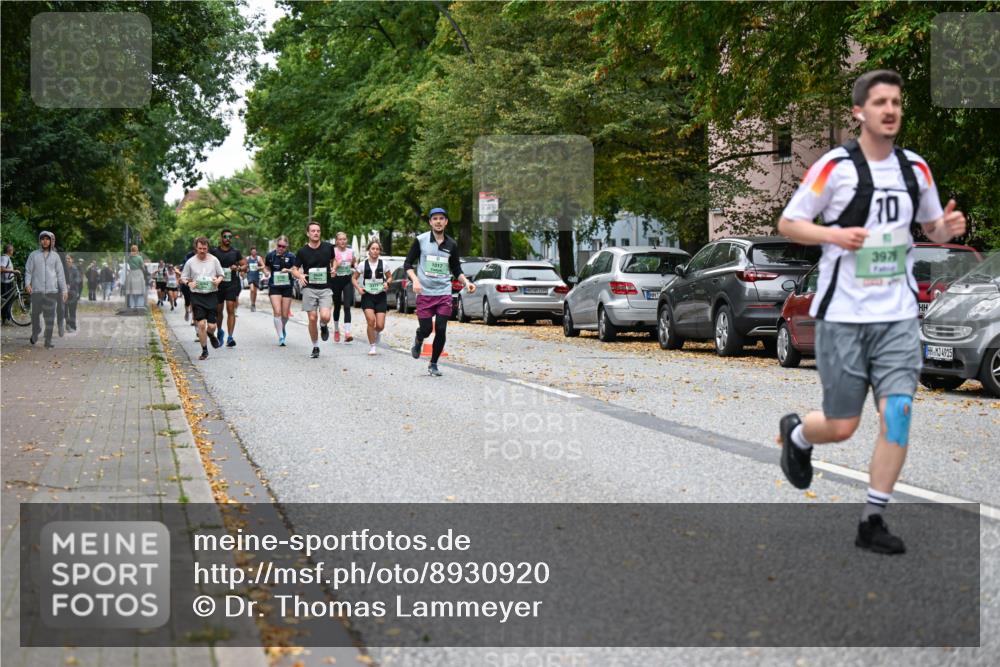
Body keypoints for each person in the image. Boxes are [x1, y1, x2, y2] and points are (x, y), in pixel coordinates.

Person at [776, 69, 967, 555]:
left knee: (898, 413)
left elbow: (932, 231)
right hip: (843, 316)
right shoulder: (834, 168)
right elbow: (790, 222)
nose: (890, 110)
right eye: (880, 102)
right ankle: (798, 435)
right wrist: (834, 235)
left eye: (897, 103)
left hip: (898, 315)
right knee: (842, 426)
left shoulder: (914, 170)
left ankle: (872, 518)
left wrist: (947, 229)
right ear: (859, 112)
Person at [403, 207, 476, 376]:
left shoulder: (452, 244)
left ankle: (433, 363)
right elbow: (407, 264)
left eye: (441, 218)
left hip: (443, 292)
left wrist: (466, 282)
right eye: (434, 218)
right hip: (425, 292)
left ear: (446, 222)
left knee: (441, 329)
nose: (438, 221)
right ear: (430, 222)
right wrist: (415, 280)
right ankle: (419, 338)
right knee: (427, 329)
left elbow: (456, 269)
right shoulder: (420, 240)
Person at [291, 221, 335, 358]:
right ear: (308, 233)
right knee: (312, 318)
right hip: (309, 287)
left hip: (325, 287)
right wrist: (299, 275)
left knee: (326, 316)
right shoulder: (303, 251)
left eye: (318, 231)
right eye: (313, 231)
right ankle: (315, 346)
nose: (316, 233)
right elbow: (294, 269)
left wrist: (334, 268)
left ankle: (323, 325)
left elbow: (334, 260)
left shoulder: (328, 247)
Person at [182, 237, 225, 360]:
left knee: (212, 326)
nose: (202, 251)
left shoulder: (214, 260)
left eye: (204, 248)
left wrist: (218, 280)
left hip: (211, 294)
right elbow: (183, 277)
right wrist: (188, 284)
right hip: (197, 295)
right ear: (196, 248)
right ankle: (204, 351)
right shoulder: (190, 262)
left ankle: (211, 335)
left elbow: (221, 274)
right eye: (200, 248)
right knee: (201, 324)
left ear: (208, 248)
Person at [24, 231, 66, 348]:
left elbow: (60, 274)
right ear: (40, 241)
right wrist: (28, 284)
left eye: (47, 239)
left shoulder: (55, 256)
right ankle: (36, 331)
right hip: (37, 291)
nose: (45, 241)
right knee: (35, 315)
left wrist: (64, 290)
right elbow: (28, 271)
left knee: (50, 317)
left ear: (51, 241)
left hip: (52, 291)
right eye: (43, 239)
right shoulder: (33, 255)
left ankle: (48, 340)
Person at [352, 239, 393, 355]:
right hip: (368, 296)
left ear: (379, 251)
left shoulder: (384, 264)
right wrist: (359, 289)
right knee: (371, 321)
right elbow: (353, 278)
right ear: (369, 251)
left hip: (380, 296)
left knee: (380, 325)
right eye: (373, 249)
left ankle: (377, 332)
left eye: (377, 249)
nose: (375, 251)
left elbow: (390, 277)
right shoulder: (362, 264)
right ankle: (372, 346)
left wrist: (387, 283)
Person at [210, 229, 245, 347]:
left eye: (230, 237)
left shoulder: (236, 252)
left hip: (231, 284)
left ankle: (230, 337)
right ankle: (220, 331)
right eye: (225, 236)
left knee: (231, 309)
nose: (227, 239)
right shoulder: (214, 251)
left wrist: (238, 268)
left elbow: (245, 265)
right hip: (218, 285)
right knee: (218, 311)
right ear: (221, 238)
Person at [264, 235, 296, 346]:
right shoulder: (270, 255)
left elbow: (296, 269)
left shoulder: (291, 256)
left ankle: (282, 327)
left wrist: (288, 270)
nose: (281, 248)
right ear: (276, 245)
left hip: (287, 286)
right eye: (279, 246)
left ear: (286, 246)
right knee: (277, 312)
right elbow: (266, 267)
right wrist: (266, 272)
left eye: (283, 246)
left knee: (285, 315)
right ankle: (281, 337)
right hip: (274, 286)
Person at [331, 231, 356, 343]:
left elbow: (354, 263)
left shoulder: (351, 251)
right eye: (340, 239)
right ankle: (336, 330)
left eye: (344, 239)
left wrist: (354, 266)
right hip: (336, 280)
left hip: (347, 280)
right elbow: (329, 263)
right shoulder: (333, 251)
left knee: (347, 306)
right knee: (337, 306)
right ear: (336, 241)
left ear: (347, 240)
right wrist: (333, 269)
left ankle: (347, 332)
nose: (342, 241)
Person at [125, 245, 148, 309]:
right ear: (137, 250)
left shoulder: (128, 257)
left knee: (132, 289)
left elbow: (127, 263)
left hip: (131, 273)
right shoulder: (139, 257)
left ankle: (132, 304)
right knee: (139, 289)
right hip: (138, 273)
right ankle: (137, 304)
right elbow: (142, 266)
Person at [64, 254, 83, 333]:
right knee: (64, 310)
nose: (67, 260)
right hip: (64, 293)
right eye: (66, 259)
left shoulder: (75, 269)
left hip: (73, 292)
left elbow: (78, 279)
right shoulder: (62, 269)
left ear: (72, 260)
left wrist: (70, 285)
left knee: (72, 310)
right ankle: (68, 323)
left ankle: (73, 326)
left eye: (69, 259)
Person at [1, 244, 18, 325]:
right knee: (6, 301)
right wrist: (13, 271)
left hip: (8, 282)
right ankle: (6, 319)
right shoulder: (4, 258)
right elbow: (1, 269)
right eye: (12, 249)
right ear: (9, 250)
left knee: (8, 301)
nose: (13, 251)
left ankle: (6, 319)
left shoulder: (7, 258)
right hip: (5, 283)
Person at [246, 246, 262, 312]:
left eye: (255, 251)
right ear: (251, 252)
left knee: (255, 292)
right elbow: (244, 266)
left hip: (256, 276)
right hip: (250, 276)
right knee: (252, 290)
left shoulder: (258, 258)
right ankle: (252, 303)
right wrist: (246, 269)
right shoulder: (247, 258)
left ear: (256, 252)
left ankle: (253, 304)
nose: (254, 252)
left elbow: (263, 265)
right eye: (252, 251)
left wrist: (259, 268)